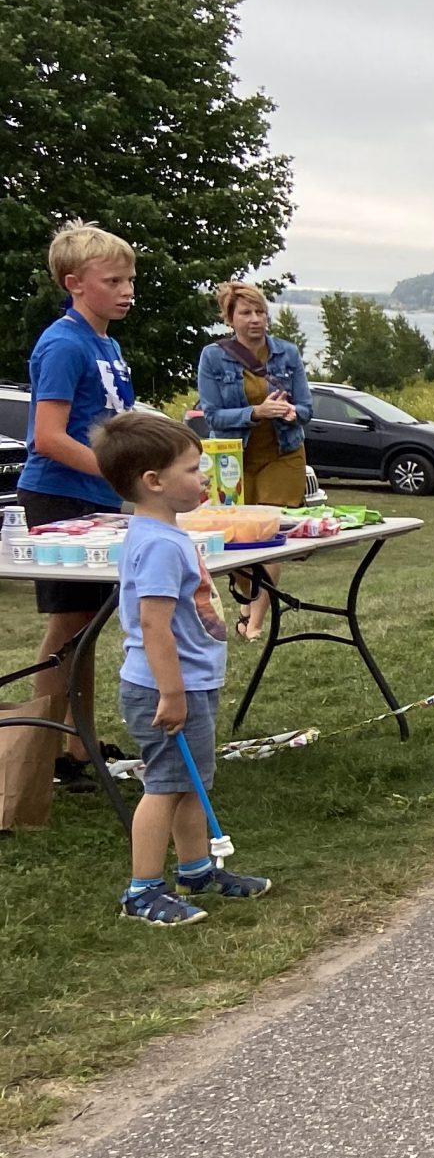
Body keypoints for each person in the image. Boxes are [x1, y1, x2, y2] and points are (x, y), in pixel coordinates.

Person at [91, 412, 269, 923]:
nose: (204, 479)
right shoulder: (160, 545)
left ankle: (196, 870)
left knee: (190, 782)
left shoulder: (159, 533)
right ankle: (142, 891)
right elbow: (154, 627)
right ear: (155, 482)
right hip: (169, 690)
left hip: (187, 686)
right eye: (193, 470)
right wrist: (171, 695)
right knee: (165, 786)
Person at [19, 223, 141, 796]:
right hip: (58, 494)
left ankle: (79, 743)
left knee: (88, 629)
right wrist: (120, 472)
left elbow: (112, 426)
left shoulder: (108, 344)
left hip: (96, 497)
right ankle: (38, 746)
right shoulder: (64, 343)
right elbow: (48, 436)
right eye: (112, 280)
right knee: (67, 626)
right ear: (75, 284)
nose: (126, 290)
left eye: (130, 279)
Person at [194, 280, 313, 642]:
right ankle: (246, 597)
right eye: (246, 312)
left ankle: (256, 622)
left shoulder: (287, 353)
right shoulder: (213, 357)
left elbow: (308, 408)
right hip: (232, 458)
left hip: (283, 453)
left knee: (270, 532)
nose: (255, 319)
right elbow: (212, 415)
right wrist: (256, 412)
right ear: (230, 318)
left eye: (260, 311)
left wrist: (292, 412)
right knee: (239, 539)